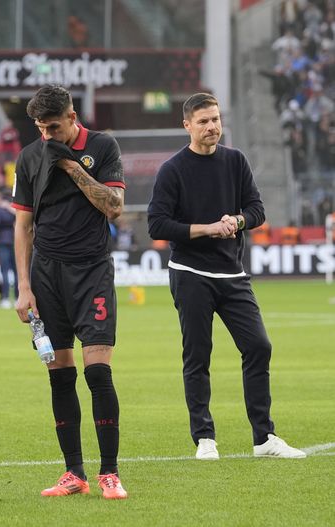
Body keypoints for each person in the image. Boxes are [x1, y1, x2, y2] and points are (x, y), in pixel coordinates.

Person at [147, 92, 307, 462]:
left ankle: (264, 437)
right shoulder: (173, 169)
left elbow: (257, 210)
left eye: (216, 119)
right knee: (198, 355)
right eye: (203, 121)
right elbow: (157, 225)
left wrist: (237, 220)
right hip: (190, 273)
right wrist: (208, 228)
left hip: (233, 274)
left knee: (258, 346)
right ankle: (204, 438)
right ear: (187, 125)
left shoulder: (236, 161)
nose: (212, 127)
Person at [12, 85, 128, 499]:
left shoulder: (102, 146)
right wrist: (24, 287)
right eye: (41, 128)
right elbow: (23, 225)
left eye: (54, 127)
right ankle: (73, 473)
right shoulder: (28, 157)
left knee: (97, 372)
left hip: (91, 270)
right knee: (60, 375)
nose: (47, 135)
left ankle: (110, 473)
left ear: (72, 116)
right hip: (46, 275)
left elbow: (113, 206)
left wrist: (70, 165)